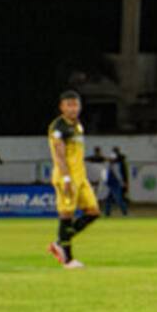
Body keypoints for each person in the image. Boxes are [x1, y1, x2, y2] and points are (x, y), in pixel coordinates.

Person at [47, 90, 100, 269]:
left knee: (93, 212)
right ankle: (68, 260)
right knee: (67, 214)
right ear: (61, 107)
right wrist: (67, 178)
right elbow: (60, 155)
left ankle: (59, 242)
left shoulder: (77, 125)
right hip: (66, 177)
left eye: (75, 104)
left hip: (80, 176)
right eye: (69, 105)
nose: (73, 108)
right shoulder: (58, 127)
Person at [102, 146, 130, 217]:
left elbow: (124, 172)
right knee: (109, 199)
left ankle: (125, 212)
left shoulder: (120, 162)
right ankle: (107, 213)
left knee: (118, 199)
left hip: (116, 183)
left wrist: (125, 182)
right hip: (112, 183)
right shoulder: (114, 163)